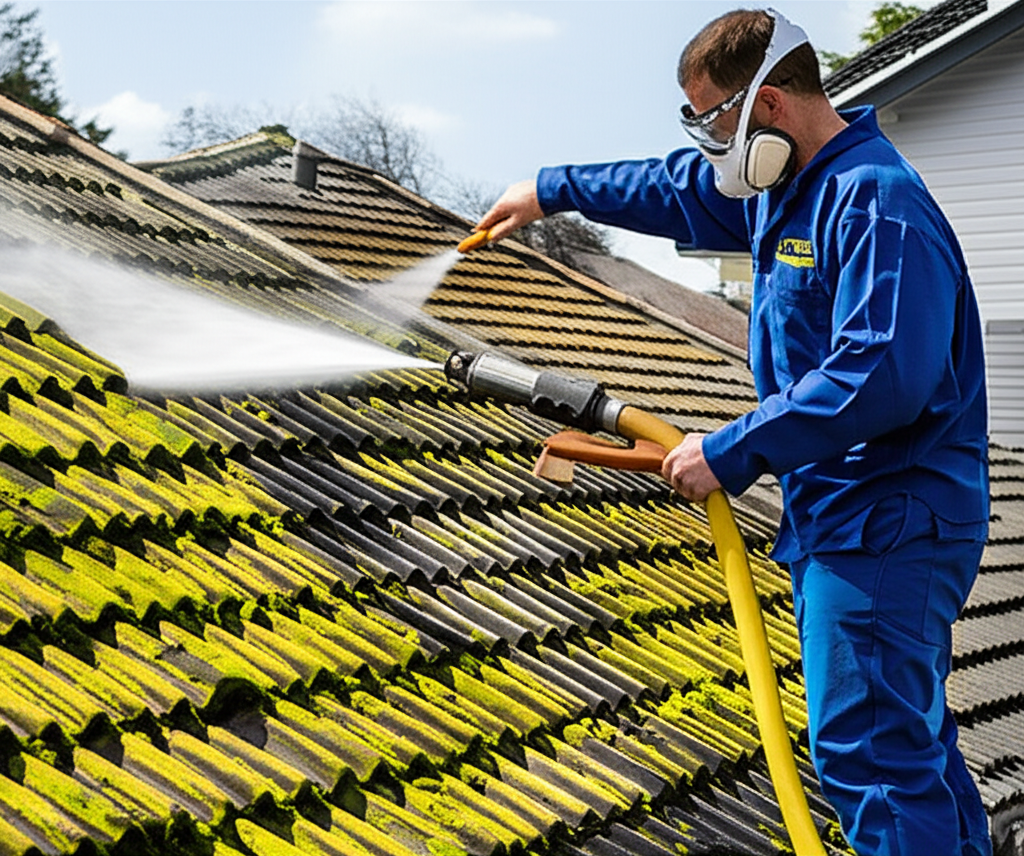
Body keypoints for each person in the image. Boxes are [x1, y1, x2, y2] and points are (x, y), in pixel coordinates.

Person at [474, 8, 991, 856]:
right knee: (912, 746)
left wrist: (730, 449)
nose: (710, 146)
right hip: (851, 517)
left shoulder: (874, 202)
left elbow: (883, 375)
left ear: (774, 105)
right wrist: (549, 187)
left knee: (870, 753)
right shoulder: (787, 190)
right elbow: (671, 187)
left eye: (715, 119)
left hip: (890, 518)